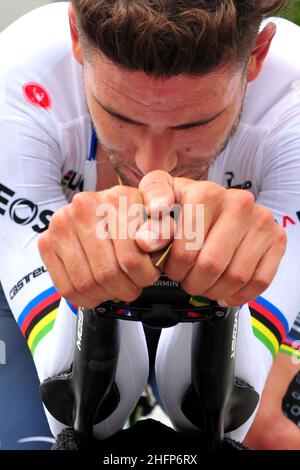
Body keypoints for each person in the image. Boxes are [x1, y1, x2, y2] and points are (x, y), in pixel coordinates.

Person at [0, 0, 299, 450]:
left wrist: (224, 299)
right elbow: (80, 414)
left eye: (194, 125)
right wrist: (91, 299)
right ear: (77, 39)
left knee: (270, 433)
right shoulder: (13, 84)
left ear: (256, 56)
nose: (153, 168)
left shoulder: (293, 105)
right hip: (32, 271)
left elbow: (224, 418)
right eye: (120, 117)